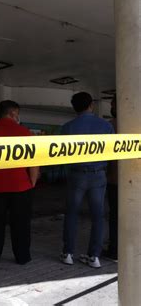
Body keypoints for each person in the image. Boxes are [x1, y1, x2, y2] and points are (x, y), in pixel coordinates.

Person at [0, 100, 39, 265]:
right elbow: (33, 161)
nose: (18, 117)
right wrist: (32, 181)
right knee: (20, 224)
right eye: (17, 114)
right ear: (13, 113)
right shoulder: (25, 132)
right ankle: (22, 257)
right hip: (20, 186)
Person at [60, 92, 114, 268]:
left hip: (76, 174)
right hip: (98, 174)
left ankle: (68, 253)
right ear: (91, 104)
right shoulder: (105, 126)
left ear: (74, 107)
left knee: (72, 213)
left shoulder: (67, 127)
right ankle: (94, 257)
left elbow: (62, 154)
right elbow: (112, 152)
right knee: (98, 216)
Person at [103, 97, 118, 261]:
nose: (111, 107)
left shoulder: (109, 126)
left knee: (115, 216)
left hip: (114, 179)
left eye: (112, 104)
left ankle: (115, 250)